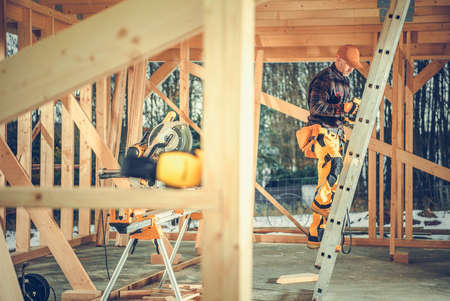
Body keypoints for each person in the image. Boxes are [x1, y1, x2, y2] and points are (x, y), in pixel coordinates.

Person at [297, 45, 362, 249]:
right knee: (333, 169)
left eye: (353, 67)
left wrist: (351, 113)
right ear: (338, 59)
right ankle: (321, 205)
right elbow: (316, 107)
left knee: (328, 182)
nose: (351, 69)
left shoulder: (345, 81)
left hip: (337, 135)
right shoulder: (323, 79)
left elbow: (339, 113)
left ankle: (316, 234)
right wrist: (345, 107)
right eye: (349, 65)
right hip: (322, 132)